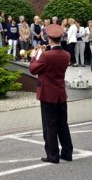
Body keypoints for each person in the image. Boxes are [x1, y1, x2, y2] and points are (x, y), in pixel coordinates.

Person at [29, 24, 74, 163]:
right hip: (60, 93)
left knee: (50, 125)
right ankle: (67, 152)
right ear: (61, 38)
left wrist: (34, 56)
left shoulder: (46, 56)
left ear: (49, 39)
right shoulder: (66, 54)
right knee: (63, 124)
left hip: (48, 93)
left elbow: (33, 69)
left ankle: (52, 155)